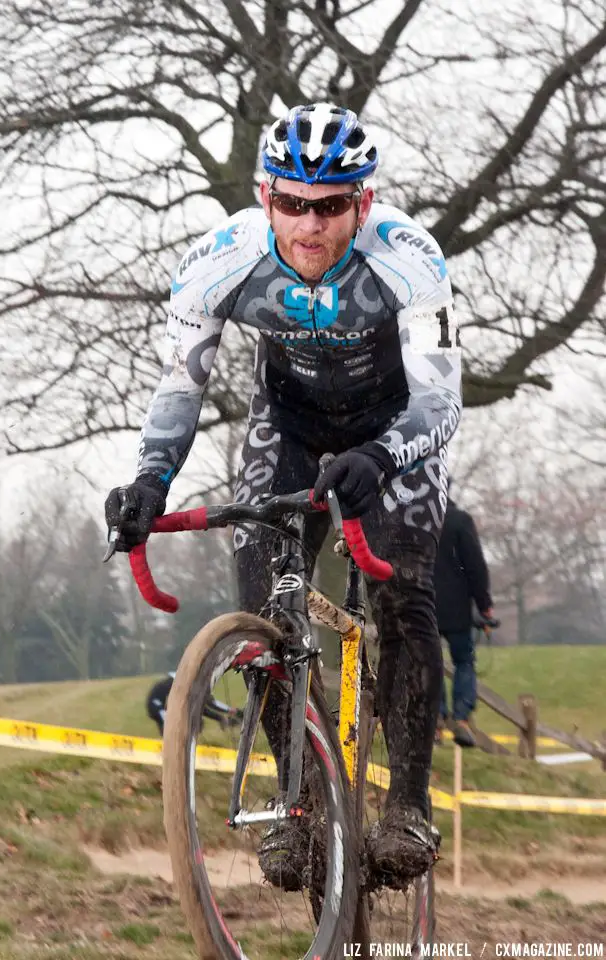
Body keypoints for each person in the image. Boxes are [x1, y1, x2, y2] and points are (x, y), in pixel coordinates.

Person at [105, 102, 462, 890]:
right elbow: (179, 385)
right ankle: (296, 800)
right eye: (292, 203)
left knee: (404, 593)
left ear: (361, 203)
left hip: (391, 425)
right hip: (288, 424)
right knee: (264, 602)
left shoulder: (407, 256)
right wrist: (148, 481)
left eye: (331, 206)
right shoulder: (222, 257)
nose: (310, 225)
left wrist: (384, 453)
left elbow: (440, 401)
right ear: (266, 194)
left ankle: (406, 803)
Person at [434, 490, 495, 748]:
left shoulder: (419, 520)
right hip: (458, 609)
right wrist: (485, 606)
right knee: (464, 661)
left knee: (430, 662)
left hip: (423, 605)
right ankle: (461, 719)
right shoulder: (460, 521)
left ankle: (435, 720)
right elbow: (476, 567)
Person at [146, 672, 243, 735]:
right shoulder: (188, 684)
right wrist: (226, 713)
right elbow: (207, 705)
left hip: (156, 704)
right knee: (174, 730)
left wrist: (223, 715)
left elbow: (202, 706)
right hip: (158, 707)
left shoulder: (184, 681)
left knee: (173, 731)